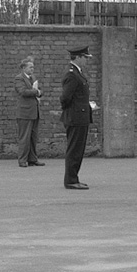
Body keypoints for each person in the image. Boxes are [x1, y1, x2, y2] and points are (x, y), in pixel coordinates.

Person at [60, 46, 94, 190]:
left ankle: (74, 178)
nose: (87, 60)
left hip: (80, 116)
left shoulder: (77, 73)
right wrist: (75, 110)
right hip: (75, 117)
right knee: (74, 150)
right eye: (85, 57)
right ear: (78, 57)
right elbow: (65, 98)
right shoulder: (72, 74)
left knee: (78, 150)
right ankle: (71, 180)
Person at [14, 56, 44, 168]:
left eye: (33, 67)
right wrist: (36, 92)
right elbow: (23, 92)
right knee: (24, 137)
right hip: (24, 113)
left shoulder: (33, 78)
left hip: (34, 112)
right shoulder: (19, 78)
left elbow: (40, 90)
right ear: (23, 68)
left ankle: (32, 159)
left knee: (33, 137)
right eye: (30, 67)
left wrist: (39, 92)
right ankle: (22, 160)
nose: (32, 69)